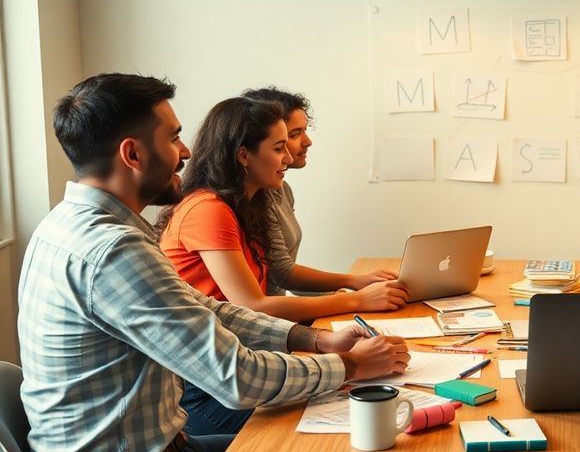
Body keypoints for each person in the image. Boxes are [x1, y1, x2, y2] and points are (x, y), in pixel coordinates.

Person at [18, 73, 410, 452]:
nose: (186, 151)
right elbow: (237, 378)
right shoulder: (113, 250)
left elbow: (208, 309)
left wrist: (316, 339)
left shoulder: (65, 224)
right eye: (173, 138)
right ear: (133, 154)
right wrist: (350, 365)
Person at [156, 97, 408, 435]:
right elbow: (252, 306)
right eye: (278, 148)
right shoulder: (207, 209)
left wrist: (320, 340)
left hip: (241, 363)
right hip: (204, 391)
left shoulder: (248, 204)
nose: (289, 157)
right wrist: (355, 299)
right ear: (243, 155)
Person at [239, 87, 396, 297]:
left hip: (278, 314)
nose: (308, 141)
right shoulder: (242, 201)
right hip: (269, 320)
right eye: (294, 134)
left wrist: (346, 293)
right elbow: (281, 273)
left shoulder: (281, 190)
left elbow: (286, 278)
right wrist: (353, 290)